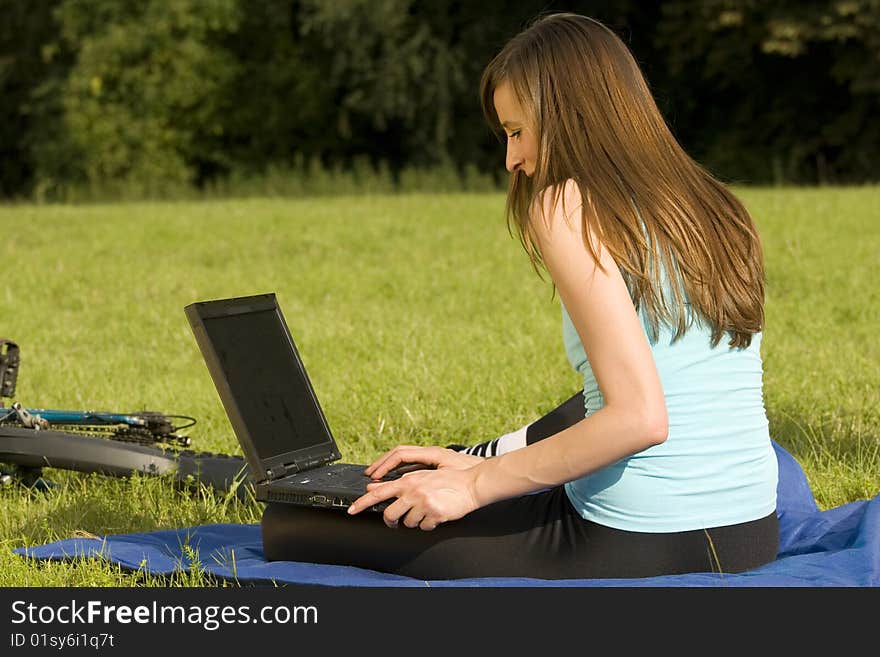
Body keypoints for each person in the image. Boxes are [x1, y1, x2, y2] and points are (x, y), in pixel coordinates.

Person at [261, 12, 779, 580]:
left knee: (288, 525)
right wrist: (482, 456)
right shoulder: (714, 206)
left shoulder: (568, 205)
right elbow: (655, 388)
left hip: (637, 540)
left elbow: (639, 418)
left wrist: (476, 487)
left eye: (516, 132)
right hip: (751, 532)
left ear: (570, 116)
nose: (511, 159)